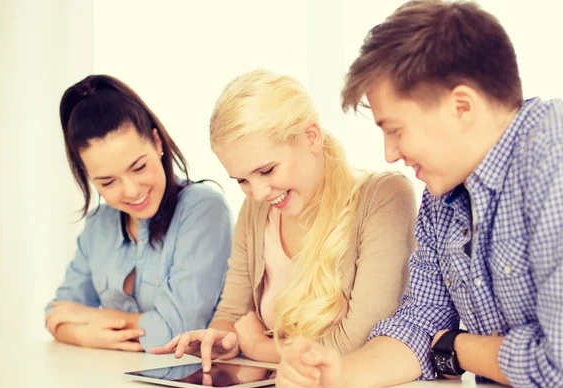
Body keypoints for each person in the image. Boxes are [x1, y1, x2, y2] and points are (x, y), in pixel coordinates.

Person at [275, 0, 563, 388]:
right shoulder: (441, 197)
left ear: (462, 106)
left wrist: (459, 348)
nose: (390, 154)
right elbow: (420, 324)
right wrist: (340, 376)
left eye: (395, 129)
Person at [151, 69, 416, 370]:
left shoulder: (384, 198)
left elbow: (363, 340)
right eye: (241, 180)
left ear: (311, 137)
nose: (259, 192)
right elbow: (232, 313)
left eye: (267, 171)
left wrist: (262, 349)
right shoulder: (256, 209)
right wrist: (222, 340)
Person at [45, 75, 232, 352]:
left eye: (138, 167)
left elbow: (177, 331)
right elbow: (57, 313)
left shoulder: (203, 208)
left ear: (157, 143)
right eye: (107, 182)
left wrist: (93, 318)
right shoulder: (99, 223)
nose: (131, 191)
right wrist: (85, 336)